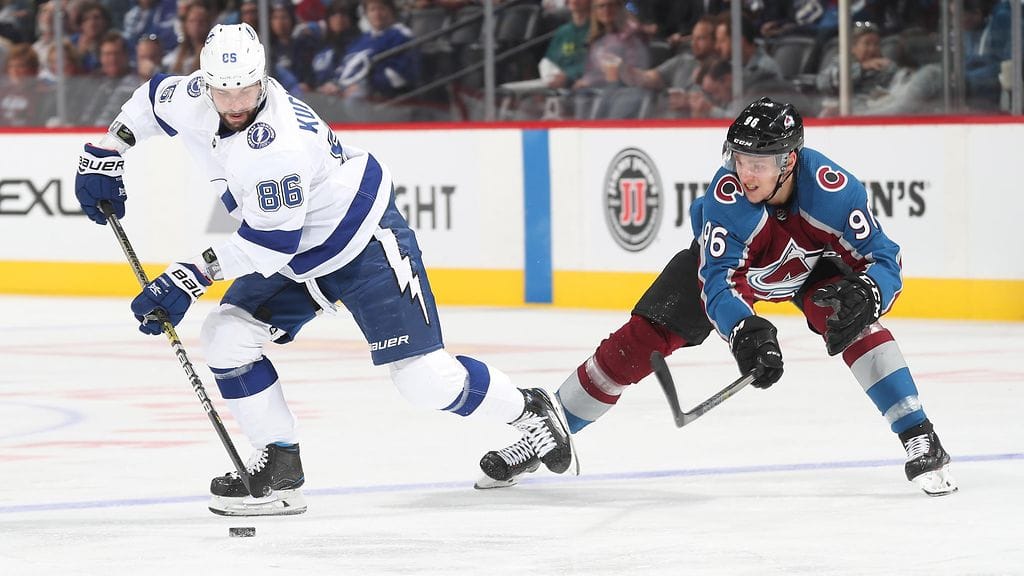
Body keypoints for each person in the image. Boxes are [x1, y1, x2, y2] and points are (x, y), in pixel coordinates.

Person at [74, 23, 577, 516]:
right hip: (298, 253)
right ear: (205, 82)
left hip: (360, 242)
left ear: (263, 77)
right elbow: (149, 101)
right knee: (226, 336)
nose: (233, 104)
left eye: (245, 90)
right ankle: (280, 464)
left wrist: (188, 277)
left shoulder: (278, 145)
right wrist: (105, 153)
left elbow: (269, 245)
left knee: (422, 381)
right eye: (221, 92)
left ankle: (529, 412)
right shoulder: (195, 94)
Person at [475, 96, 958, 498]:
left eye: (759, 164)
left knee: (852, 315)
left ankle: (920, 436)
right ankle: (547, 431)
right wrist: (744, 331)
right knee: (638, 340)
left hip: (810, 270)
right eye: (739, 159)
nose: (745, 173)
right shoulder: (727, 197)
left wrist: (872, 292)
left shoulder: (834, 192)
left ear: (789, 160)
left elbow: (883, 256)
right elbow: (718, 282)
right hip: (738, 271)